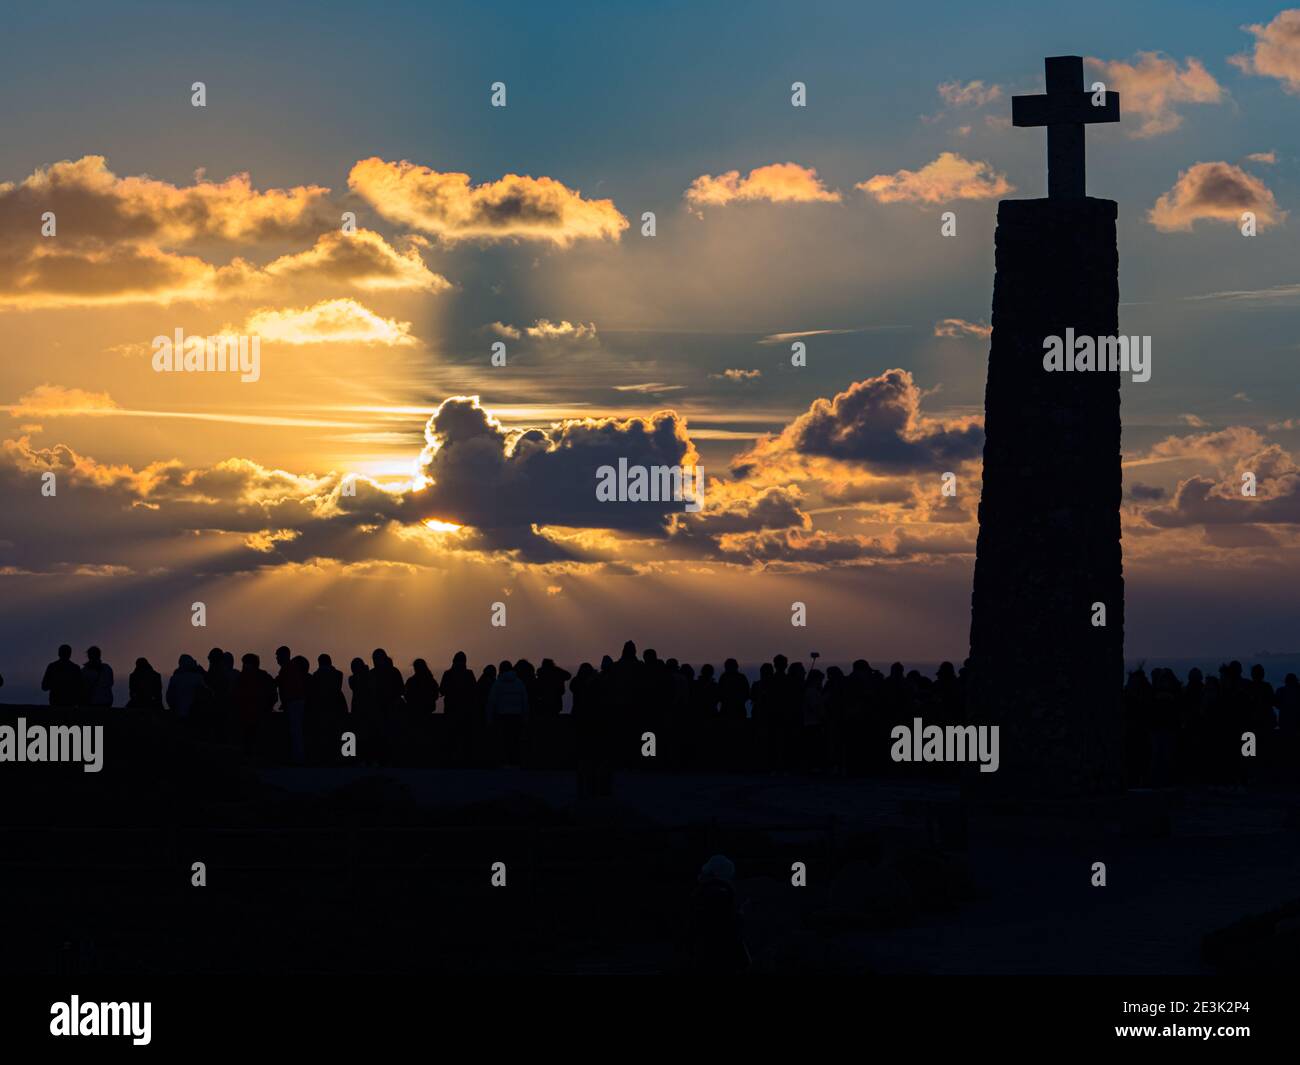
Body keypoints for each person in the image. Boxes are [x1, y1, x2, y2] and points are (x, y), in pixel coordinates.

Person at [486, 661, 528, 766]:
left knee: (503, 742)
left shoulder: (497, 684)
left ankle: (504, 764)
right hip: (517, 717)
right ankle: (515, 763)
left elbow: (491, 702)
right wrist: (525, 718)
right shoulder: (519, 683)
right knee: (515, 741)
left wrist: (489, 719)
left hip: (502, 717)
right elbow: (525, 702)